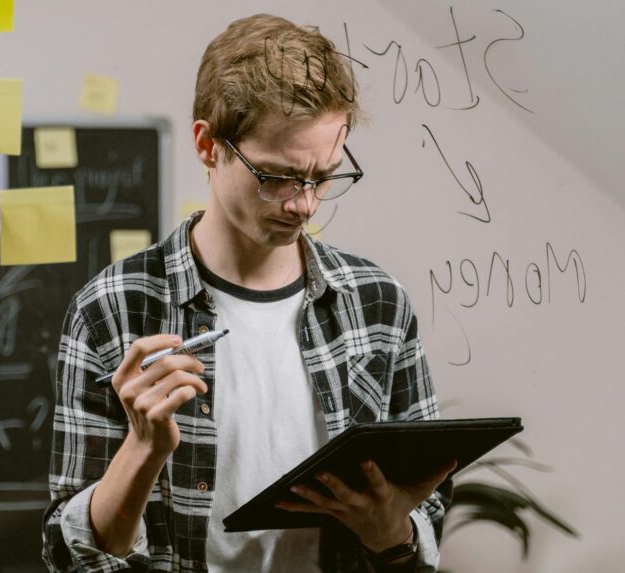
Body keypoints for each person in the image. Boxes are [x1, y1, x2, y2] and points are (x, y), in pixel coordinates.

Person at [42, 13, 455, 573]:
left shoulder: (377, 302)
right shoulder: (112, 309)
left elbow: (422, 522)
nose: (304, 204)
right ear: (208, 145)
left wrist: (391, 531)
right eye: (278, 176)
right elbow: (73, 557)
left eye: (324, 176)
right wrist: (143, 448)